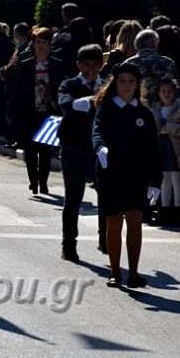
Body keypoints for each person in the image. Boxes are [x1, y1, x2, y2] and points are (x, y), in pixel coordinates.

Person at [92, 62, 161, 288]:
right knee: (113, 222)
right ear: (115, 83)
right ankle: (114, 272)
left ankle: (133, 273)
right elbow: (97, 132)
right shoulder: (106, 108)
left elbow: (153, 147)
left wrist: (156, 180)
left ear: (137, 85)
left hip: (136, 175)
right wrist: (100, 149)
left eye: (131, 81)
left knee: (134, 221)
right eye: (122, 81)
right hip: (111, 172)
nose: (126, 85)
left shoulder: (144, 114)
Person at [57, 44, 104, 261]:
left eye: (95, 65)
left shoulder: (106, 86)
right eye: (86, 64)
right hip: (73, 147)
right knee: (73, 197)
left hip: (98, 150)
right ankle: (69, 244)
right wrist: (76, 103)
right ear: (78, 64)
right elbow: (63, 100)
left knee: (106, 195)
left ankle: (104, 239)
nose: (91, 69)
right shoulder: (70, 83)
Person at [7, 27, 65, 194]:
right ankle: (33, 181)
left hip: (49, 112)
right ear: (33, 44)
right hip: (29, 112)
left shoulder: (57, 65)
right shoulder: (26, 65)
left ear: (49, 45)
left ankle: (43, 181)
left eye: (44, 42)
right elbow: (17, 89)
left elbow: (61, 88)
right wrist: (11, 111)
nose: (41, 45)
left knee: (46, 149)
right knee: (30, 148)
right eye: (38, 42)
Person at [150, 77, 180, 218]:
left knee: (177, 178)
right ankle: (165, 209)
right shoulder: (156, 107)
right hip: (162, 146)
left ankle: (177, 209)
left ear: (175, 92)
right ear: (158, 93)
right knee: (164, 179)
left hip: (178, 148)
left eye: (169, 91)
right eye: (163, 91)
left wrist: (169, 127)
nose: (166, 94)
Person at [124, 29, 177, 104]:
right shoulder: (167, 62)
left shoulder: (128, 63)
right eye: (157, 42)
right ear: (153, 44)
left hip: (136, 107)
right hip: (163, 107)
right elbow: (176, 89)